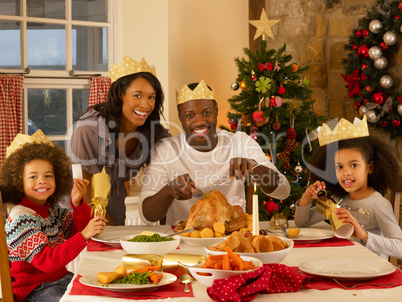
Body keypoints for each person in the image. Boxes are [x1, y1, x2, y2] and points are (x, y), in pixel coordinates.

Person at [139, 80, 290, 225]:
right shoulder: (165, 149)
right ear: (180, 117)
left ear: (216, 110)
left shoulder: (241, 142)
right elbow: (146, 216)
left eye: (206, 112)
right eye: (190, 115)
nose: (199, 122)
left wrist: (254, 167)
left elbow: (283, 190)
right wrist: (169, 190)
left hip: (231, 239)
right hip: (184, 243)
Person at [0, 130, 106, 302]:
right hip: (33, 290)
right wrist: (84, 234)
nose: (42, 181)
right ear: (18, 182)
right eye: (33, 176)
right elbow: (47, 261)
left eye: (48, 175)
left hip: (56, 280)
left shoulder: (50, 210)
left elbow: (76, 229)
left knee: (95, 292)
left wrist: (77, 202)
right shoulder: (21, 217)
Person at [67, 56, 170, 226]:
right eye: (137, 95)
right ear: (119, 94)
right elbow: (85, 192)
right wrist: (112, 233)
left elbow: (179, 150)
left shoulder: (151, 131)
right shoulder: (88, 130)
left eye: (151, 97)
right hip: (79, 220)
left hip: (115, 213)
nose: (145, 105)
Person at [294, 116, 402, 259]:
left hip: (370, 270)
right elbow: (303, 222)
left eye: (354, 165)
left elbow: (399, 248)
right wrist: (306, 198)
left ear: (370, 167)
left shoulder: (378, 205)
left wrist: (364, 235)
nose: (346, 172)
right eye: (339, 166)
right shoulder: (339, 200)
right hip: (341, 263)